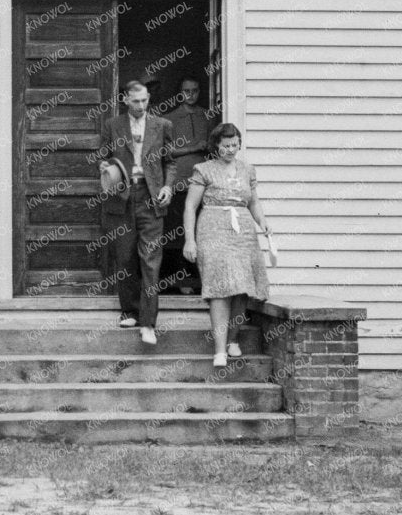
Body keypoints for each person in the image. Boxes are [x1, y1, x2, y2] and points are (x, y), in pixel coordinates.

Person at [182, 123, 271, 368]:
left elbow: (253, 202)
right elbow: (190, 206)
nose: (231, 150)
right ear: (216, 146)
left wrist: (263, 222)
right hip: (212, 229)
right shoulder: (203, 169)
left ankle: (233, 339)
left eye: (235, 145)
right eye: (226, 146)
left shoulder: (247, 170)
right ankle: (219, 350)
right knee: (220, 288)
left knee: (241, 288)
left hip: (242, 231)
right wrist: (190, 239)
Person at [97, 80, 172, 346]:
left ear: (148, 98)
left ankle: (149, 322)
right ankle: (129, 310)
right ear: (125, 100)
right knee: (126, 256)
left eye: (144, 101)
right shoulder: (112, 126)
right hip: (122, 198)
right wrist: (105, 166)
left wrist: (168, 186)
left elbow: (170, 162)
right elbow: (103, 157)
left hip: (151, 198)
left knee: (150, 260)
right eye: (135, 101)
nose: (141, 106)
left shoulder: (162, 126)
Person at [161, 75, 217, 295]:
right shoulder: (170, 118)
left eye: (195, 90)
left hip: (205, 181)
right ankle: (181, 278)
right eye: (186, 91)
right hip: (180, 181)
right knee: (178, 231)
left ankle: (203, 279)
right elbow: (166, 151)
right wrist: (194, 148)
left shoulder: (208, 116)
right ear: (180, 93)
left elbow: (215, 146)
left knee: (203, 229)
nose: (191, 95)